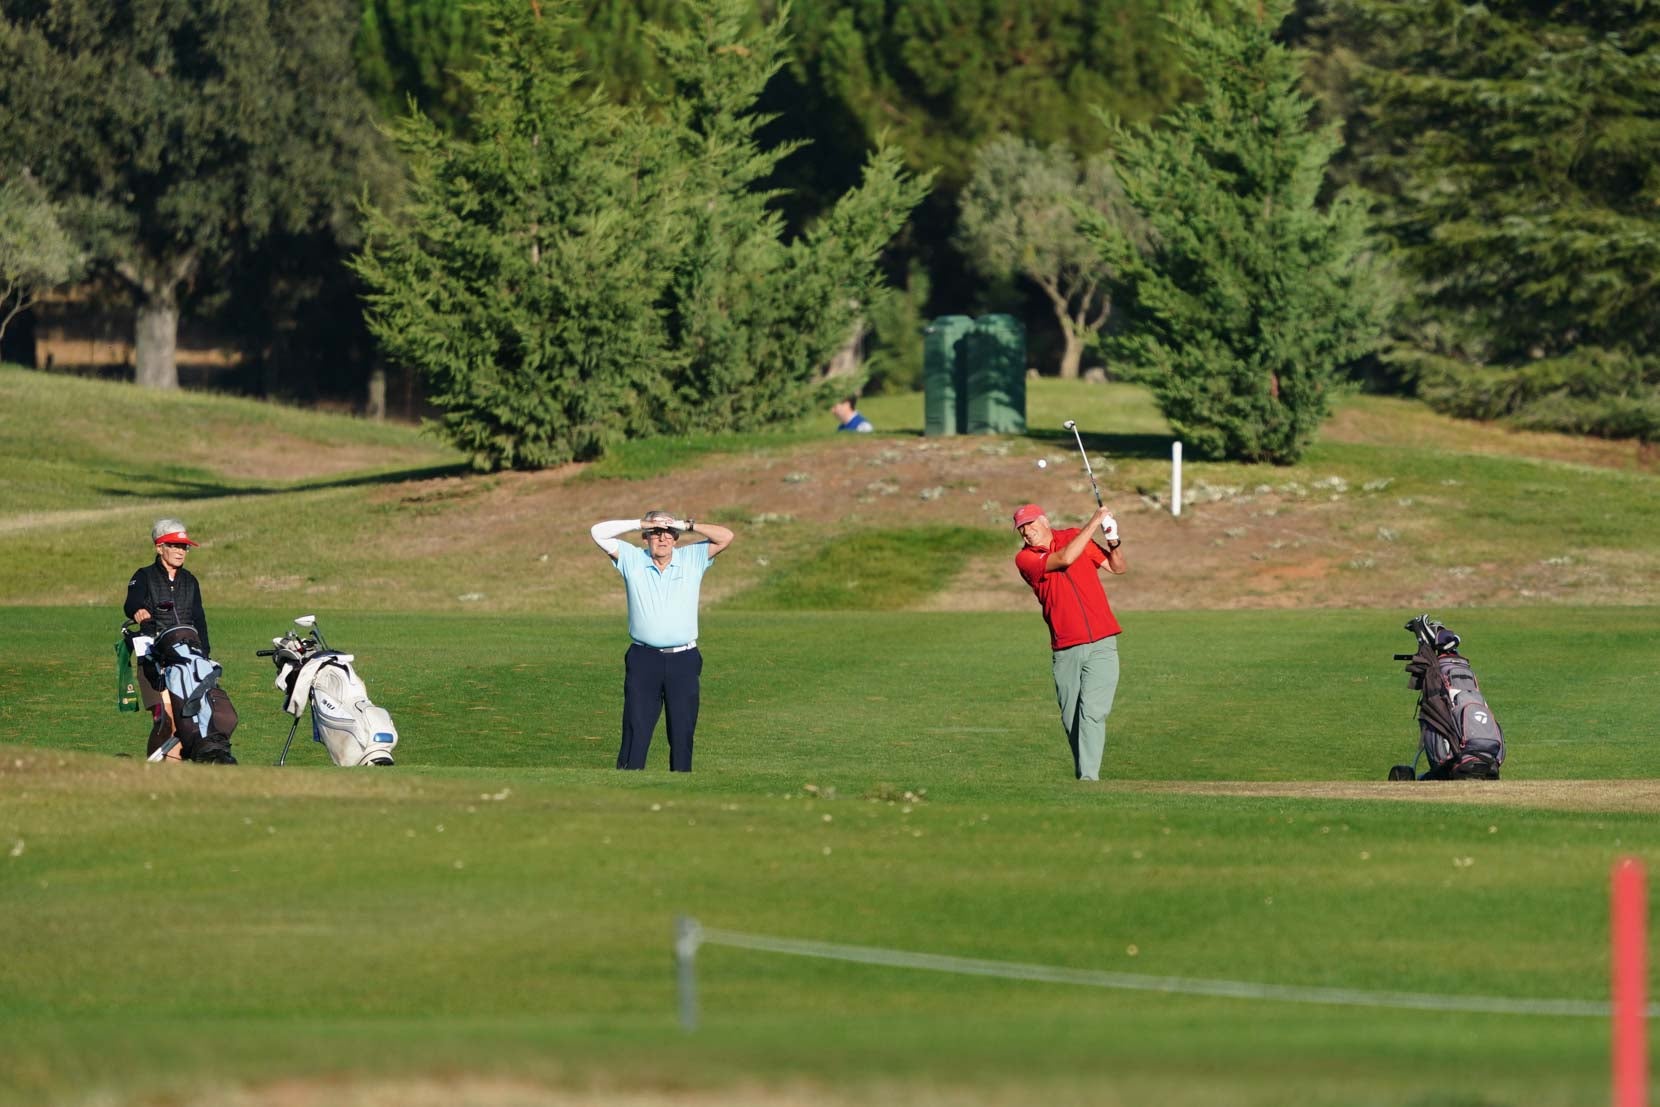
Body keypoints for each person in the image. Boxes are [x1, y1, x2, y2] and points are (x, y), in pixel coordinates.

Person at [589, 510, 735, 771]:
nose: (663, 539)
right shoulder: (631, 558)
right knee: (636, 727)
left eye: (668, 534)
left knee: (682, 729)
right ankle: (629, 783)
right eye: (655, 534)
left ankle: (680, 783)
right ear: (645, 537)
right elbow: (597, 532)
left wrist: (685, 524)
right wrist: (643, 522)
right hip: (644, 658)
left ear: (676, 538)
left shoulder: (693, 557)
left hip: (684, 659)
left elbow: (726, 536)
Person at [1013, 502, 1127, 781]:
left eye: (1030, 525)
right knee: (1072, 719)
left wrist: (1113, 541)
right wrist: (1095, 521)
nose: (1027, 532)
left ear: (1044, 520)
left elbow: (1118, 568)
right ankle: (1084, 773)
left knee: (1092, 712)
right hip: (1065, 647)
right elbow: (1064, 559)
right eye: (1022, 529)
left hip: (1102, 640)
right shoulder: (1025, 559)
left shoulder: (1074, 536)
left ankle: (1089, 780)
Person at [124, 517, 238, 764]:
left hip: (190, 660)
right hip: (154, 659)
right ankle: (153, 769)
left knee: (191, 718)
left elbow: (200, 620)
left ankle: (173, 776)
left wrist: (204, 655)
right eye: (174, 546)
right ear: (159, 547)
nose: (180, 551)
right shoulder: (143, 576)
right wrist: (139, 612)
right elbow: (131, 602)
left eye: (183, 547)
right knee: (166, 721)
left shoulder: (190, 581)